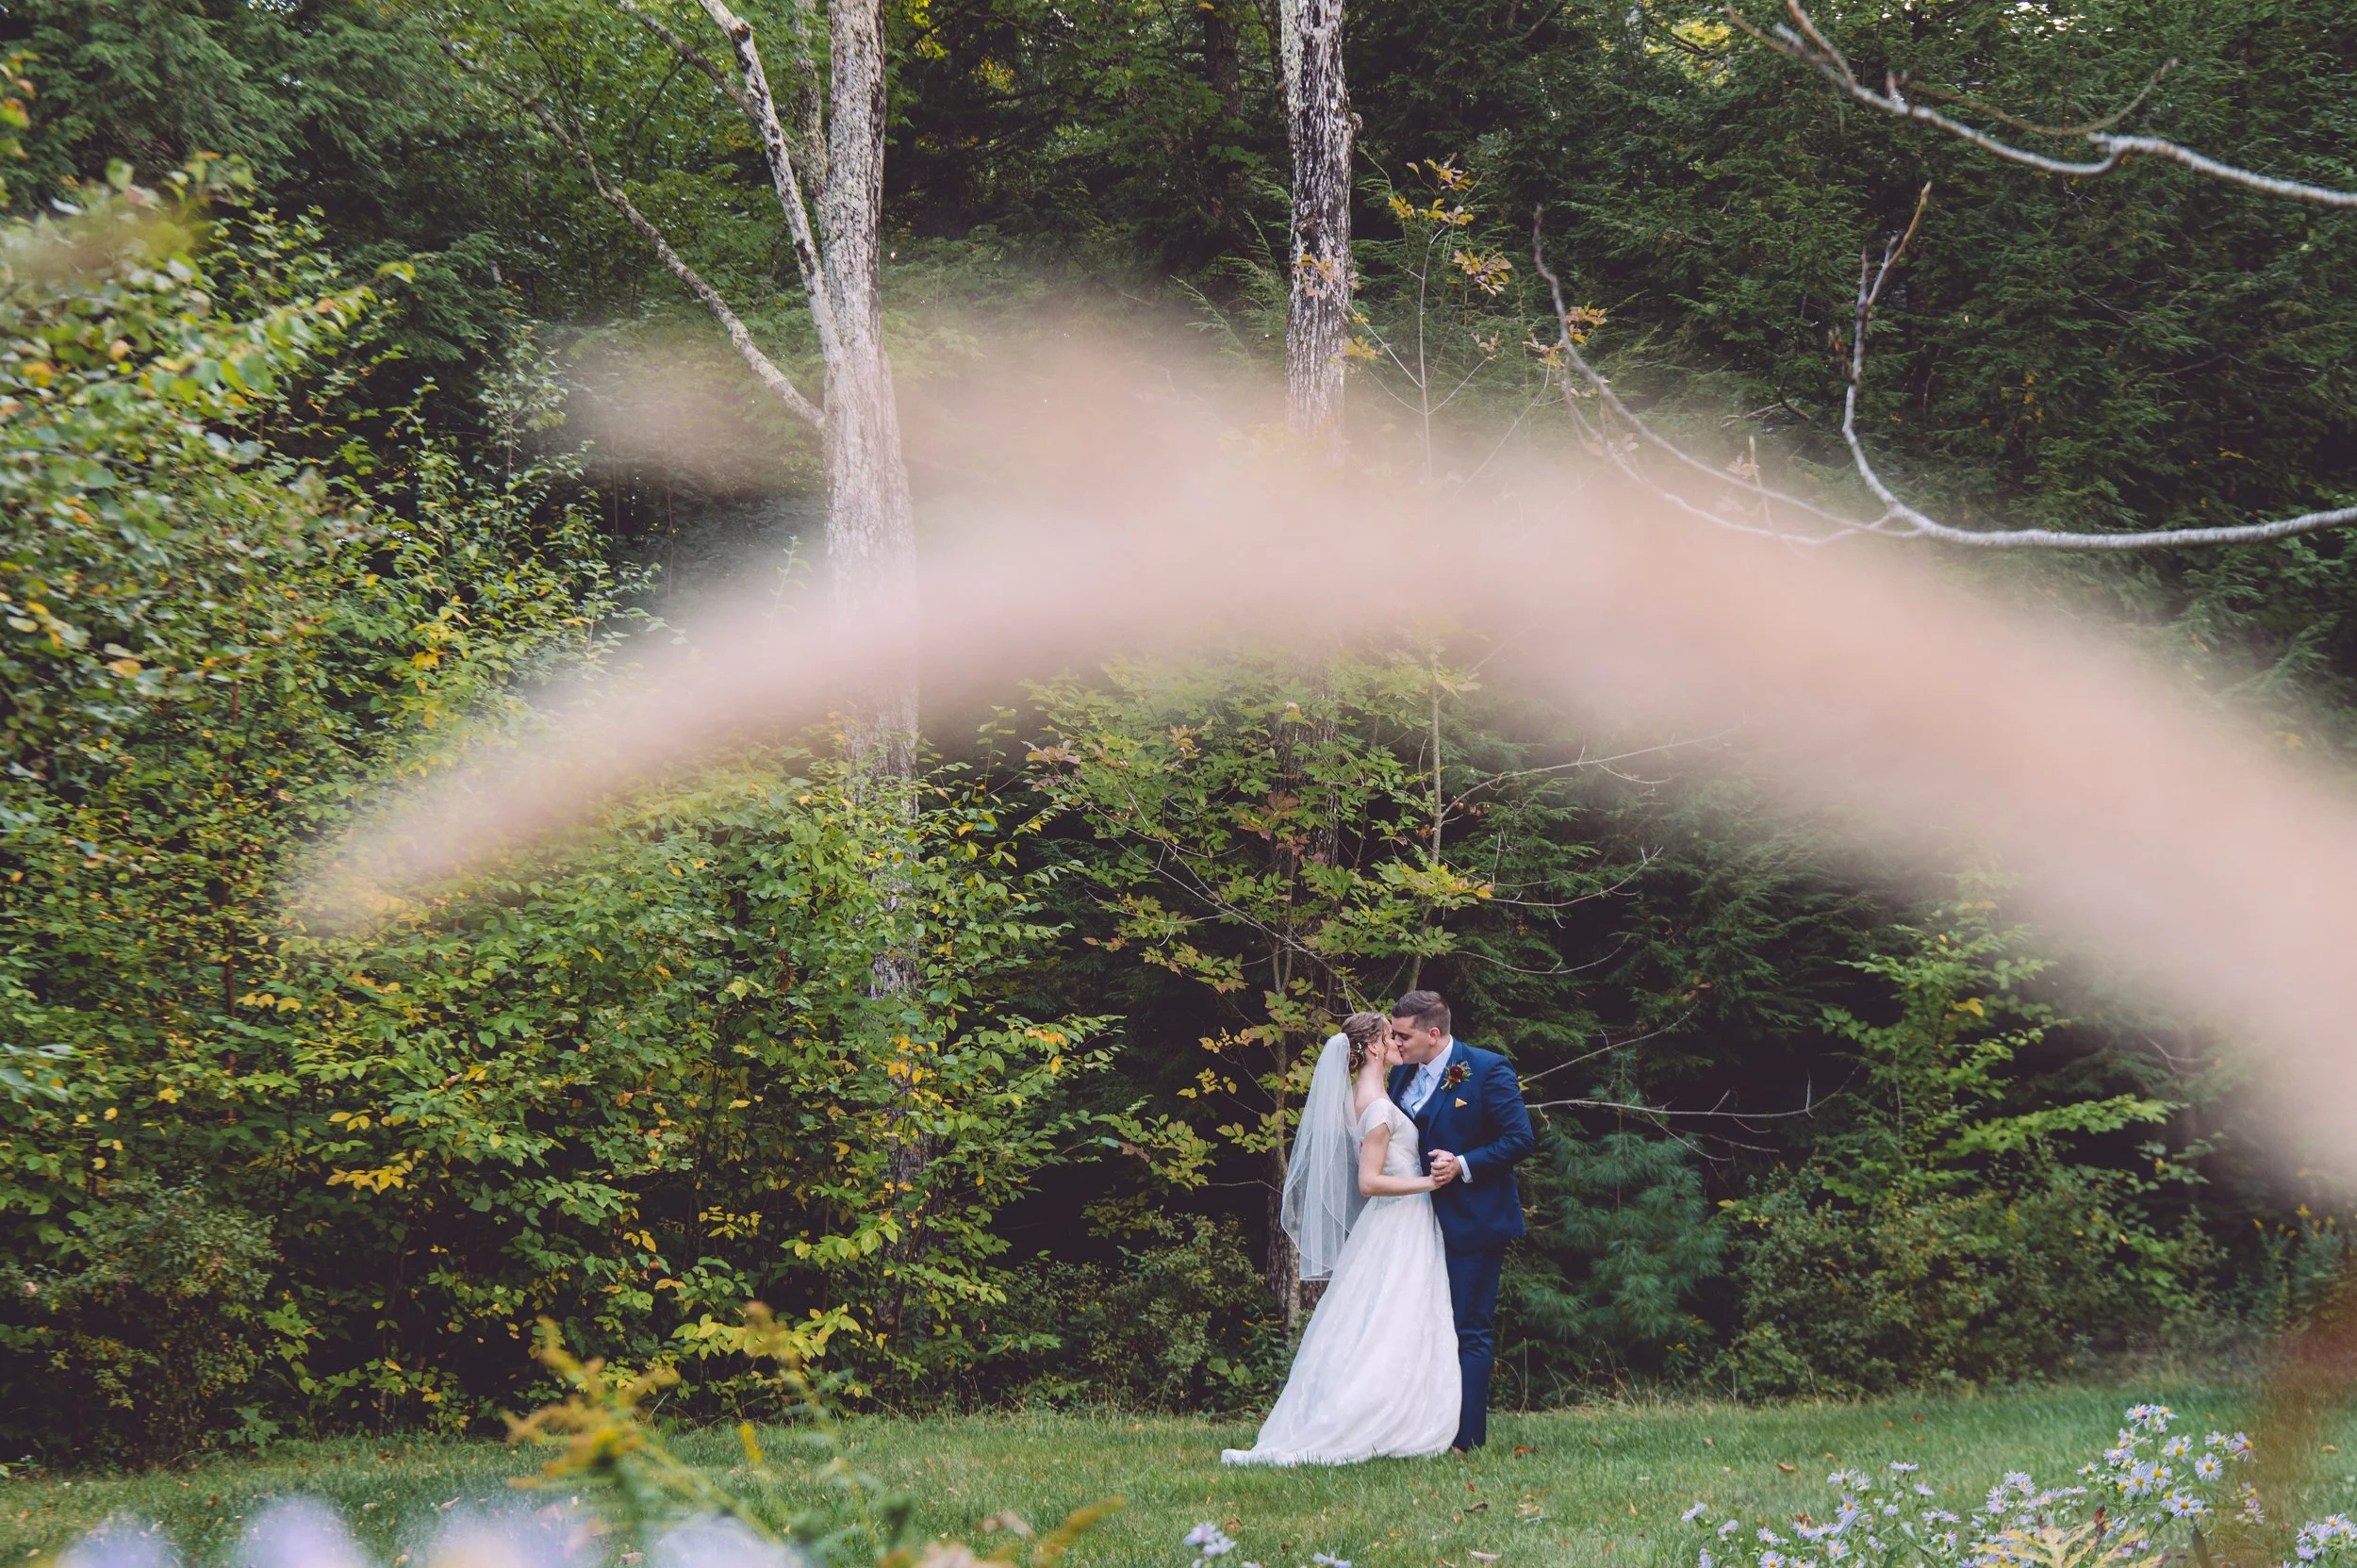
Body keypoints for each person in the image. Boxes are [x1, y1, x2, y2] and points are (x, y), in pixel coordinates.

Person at [1220, 1012, 1459, 1466]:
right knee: (1393, 1317)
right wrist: (1429, 1184)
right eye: (1390, 1036)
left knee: (1377, 1318)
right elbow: (1369, 1182)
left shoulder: (1360, 1097)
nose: (1397, 1044)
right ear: (1371, 1047)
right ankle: (1379, 1415)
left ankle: (1396, 1404)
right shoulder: (1378, 1108)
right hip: (1398, 1220)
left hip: (1391, 1224)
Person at [1384, 988, 1534, 1453]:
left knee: (1468, 1327)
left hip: (1474, 1221)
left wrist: (1463, 1164)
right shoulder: (1401, 1076)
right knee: (1420, 1325)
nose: (1396, 1042)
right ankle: (1420, 1429)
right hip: (1413, 1227)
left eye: (1403, 1035)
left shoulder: (1488, 1070)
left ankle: (1466, 1440)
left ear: (1434, 1033)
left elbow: (1520, 1139)